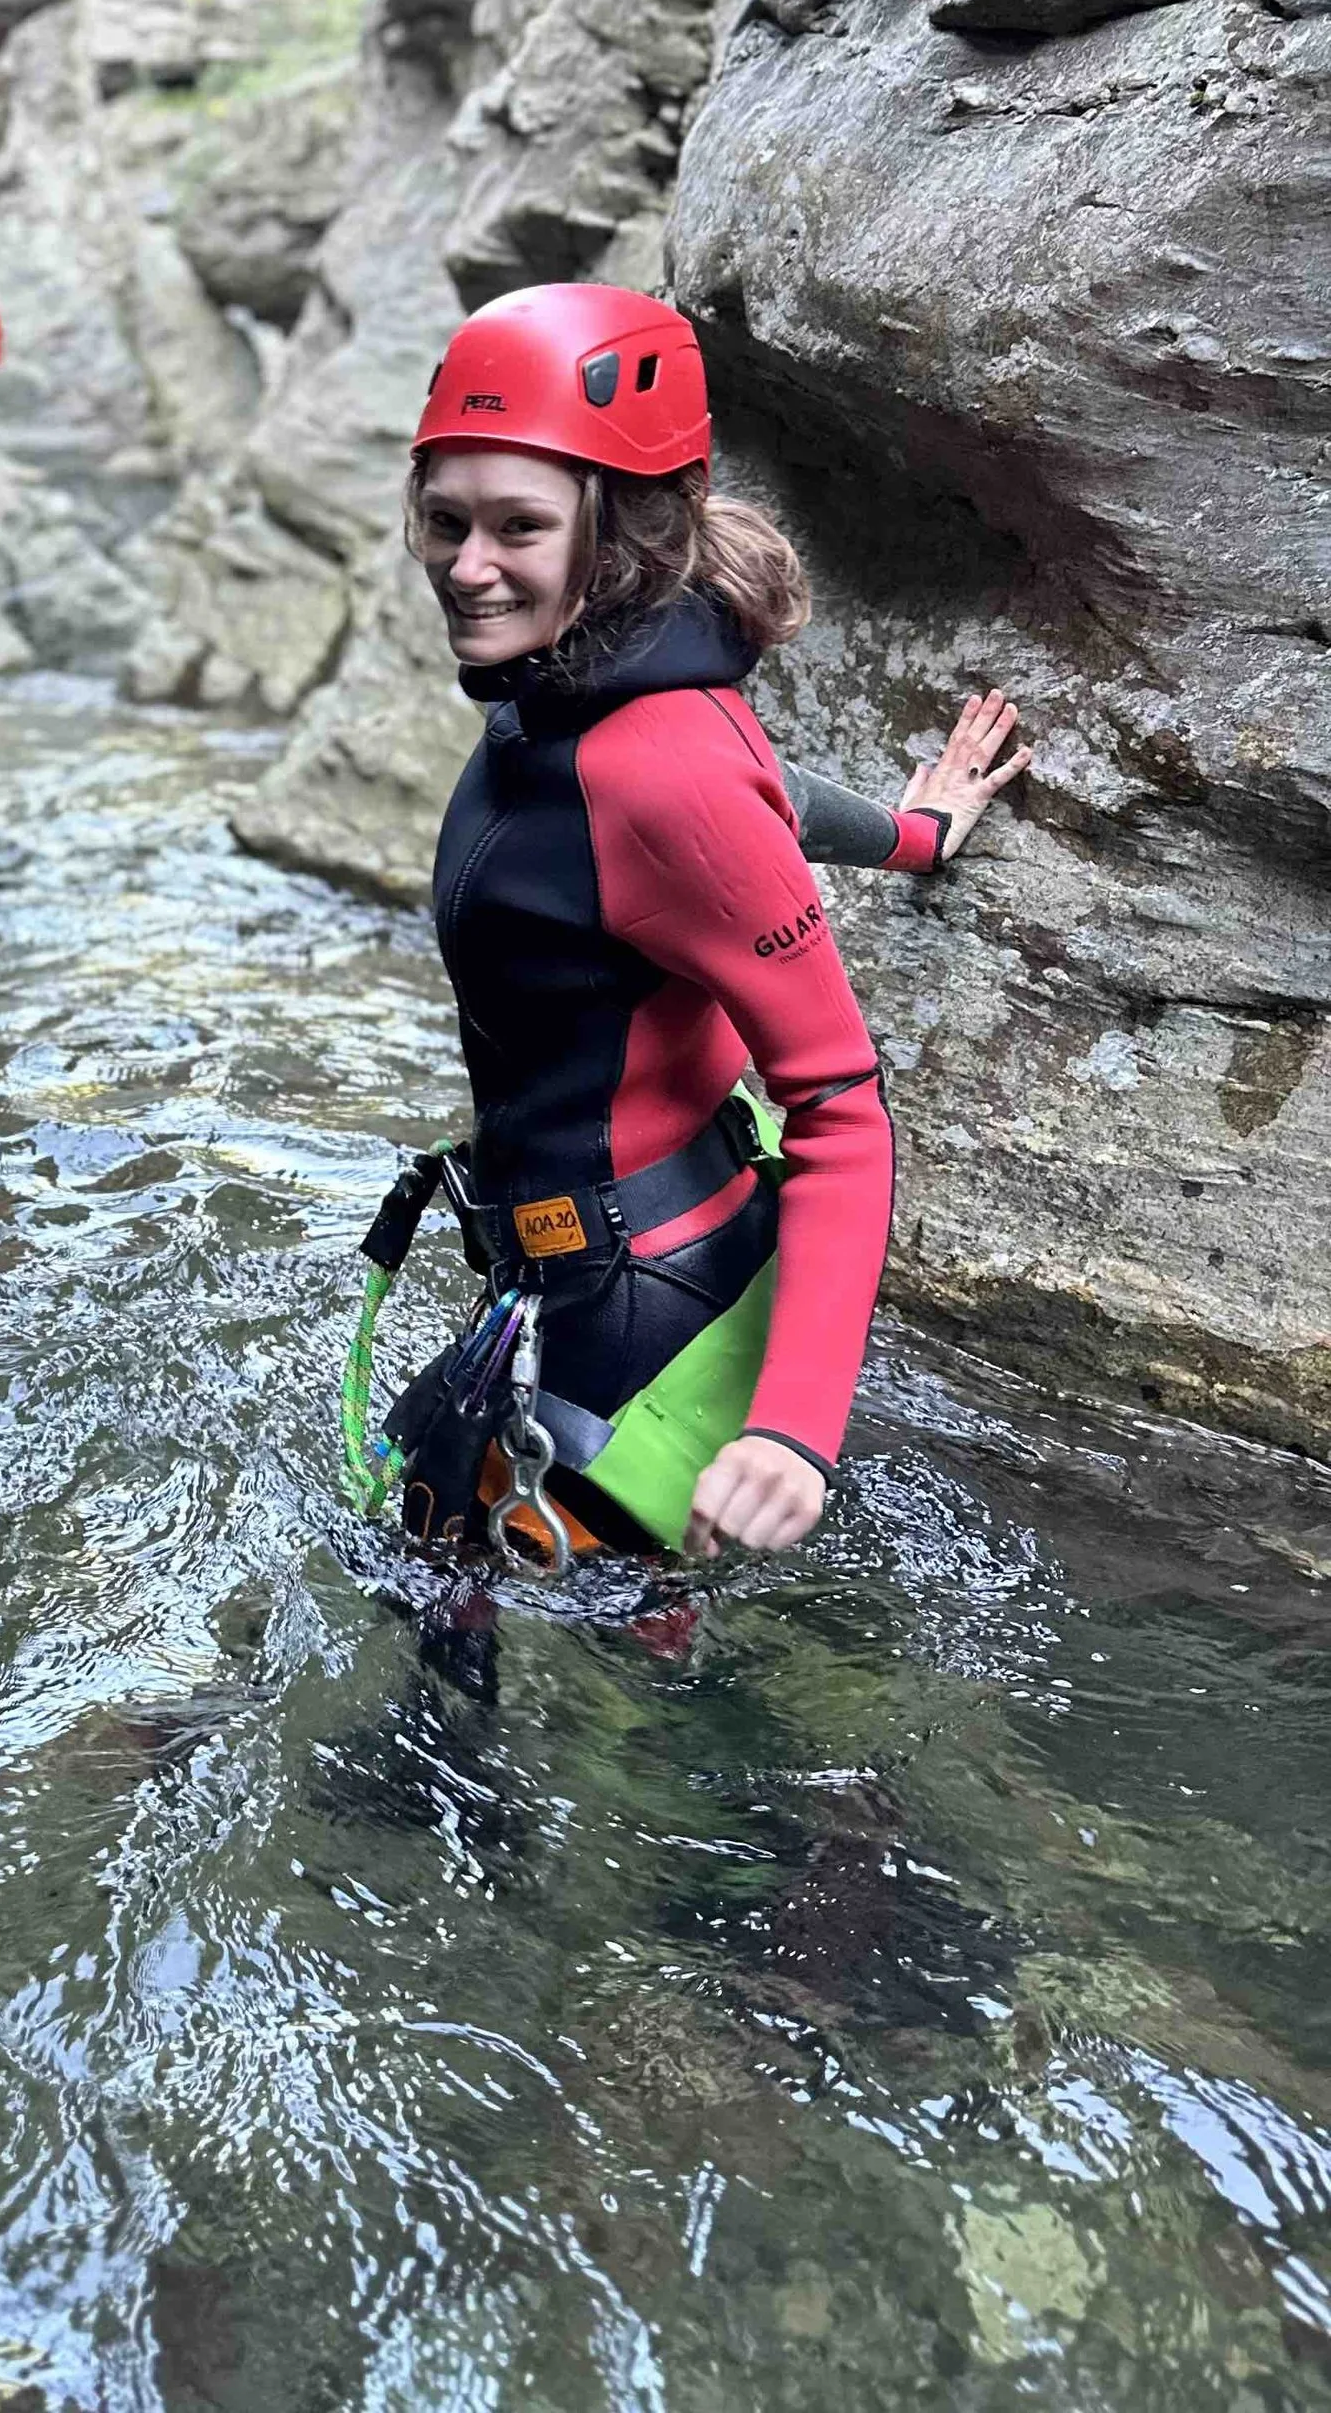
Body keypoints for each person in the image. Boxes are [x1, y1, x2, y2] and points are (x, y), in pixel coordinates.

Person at [386, 280, 1027, 1565]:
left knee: (464, 1687)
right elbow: (769, 796)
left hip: (637, 1303)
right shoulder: (583, 687)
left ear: (614, 532)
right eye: (443, 520)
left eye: (515, 524)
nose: (466, 565)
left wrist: (792, 1434)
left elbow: (845, 1116)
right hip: (588, 1266)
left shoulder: (648, 760)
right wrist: (914, 834)